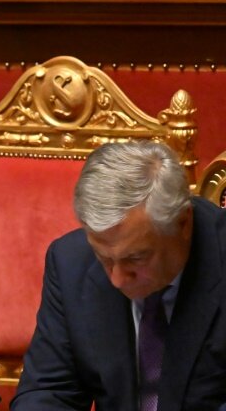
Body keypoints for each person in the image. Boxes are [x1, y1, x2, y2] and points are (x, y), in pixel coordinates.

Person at [12, 141, 226, 410]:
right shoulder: (70, 262)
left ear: (182, 223)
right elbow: (49, 389)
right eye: (104, 259)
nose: (117, 279)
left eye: (135, 258)